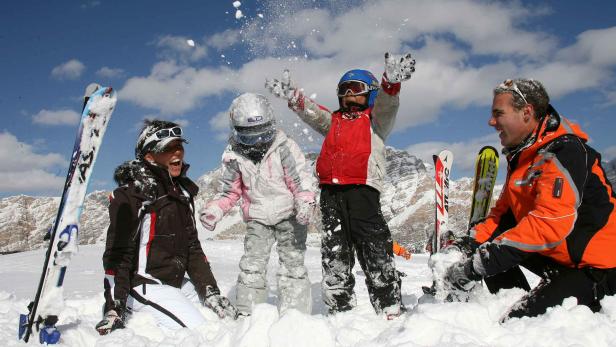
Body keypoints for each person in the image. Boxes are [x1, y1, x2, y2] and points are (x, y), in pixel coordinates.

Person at [442, 78, 616, 321]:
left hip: (595, 267)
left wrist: (476, 266)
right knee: (486, 253)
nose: (491, 122)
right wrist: (465, 247)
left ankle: (533, 310)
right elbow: (502, 217)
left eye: (498, 113)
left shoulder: (565, 153)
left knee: (516, 323)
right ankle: (511, 301)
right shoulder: (523, 157)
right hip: (558, 257)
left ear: (526, 112)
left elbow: (550, 223)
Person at [265, 52, 416, 318]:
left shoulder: (375, 121)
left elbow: (387, 104)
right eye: (343, 90)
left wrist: (390, 84)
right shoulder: (333, 121)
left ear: (369, 93)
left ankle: (389, 306)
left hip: (362, 191)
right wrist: (295, 99)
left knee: (374, 248)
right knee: (335, 251)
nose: (348, 95)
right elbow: (314, 114)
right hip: (331, 194)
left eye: (355, 89)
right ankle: (340, 309)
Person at [95, 120, 238, 335]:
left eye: (179, 146)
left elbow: (192, 248)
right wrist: (114, 307)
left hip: (176, 283)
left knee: (230, 322)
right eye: (168, 148)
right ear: (149, 156)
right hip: (144, 285)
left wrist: (210, 291)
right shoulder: (132, 194)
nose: (177, 152)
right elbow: (117, 255)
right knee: (205, 333)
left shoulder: (182, 193)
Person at [199, 93, 316, 316]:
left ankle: (296, 316)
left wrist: (304, 201)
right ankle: (249, 313)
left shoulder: (284, 147)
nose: (258, 142)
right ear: (236, 131)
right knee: (252, 266)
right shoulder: (233, 157)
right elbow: (230, 192)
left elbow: (299, 180)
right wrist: (215, 209)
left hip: (289, 214)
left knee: (292, 265)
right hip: (257, 217)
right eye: (249, 137)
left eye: (263, 134)